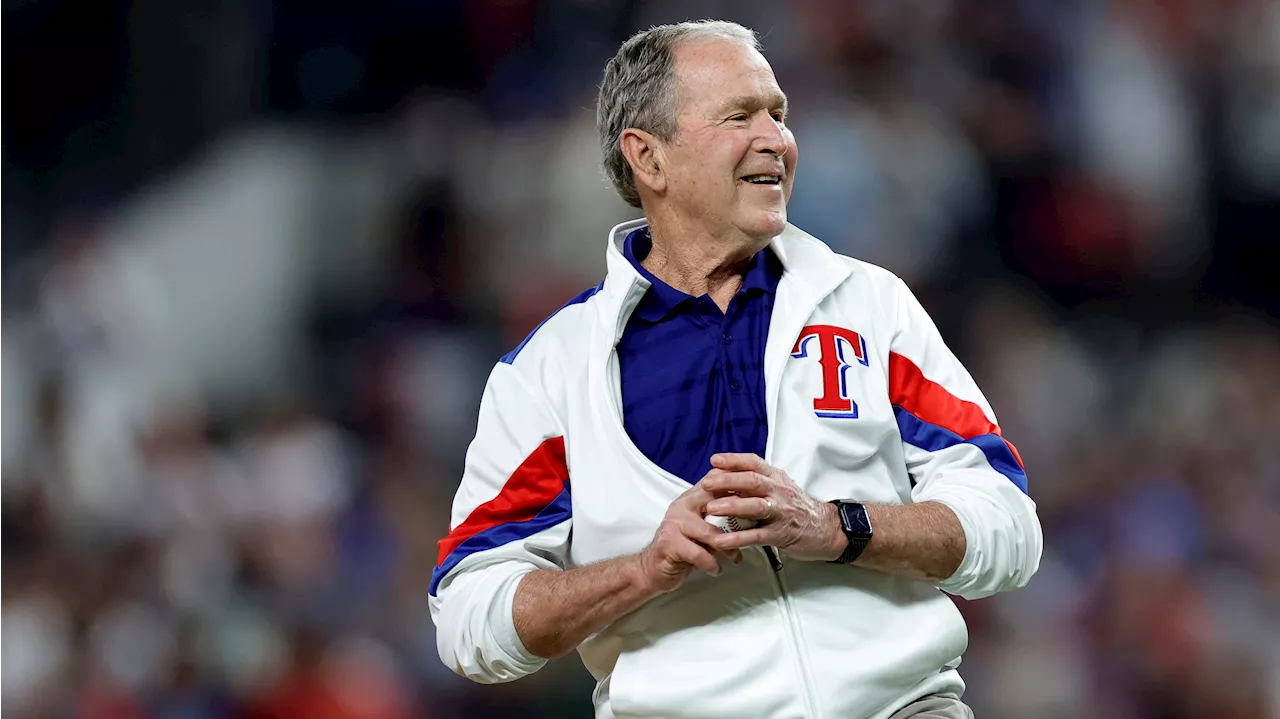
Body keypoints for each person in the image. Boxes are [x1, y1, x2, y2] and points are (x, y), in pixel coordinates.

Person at [429, 19, 1042, 719]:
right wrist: (642, 570)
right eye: (739, 115)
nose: (776, 139)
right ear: (649, 159)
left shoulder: (870, 305)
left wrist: (837, 524)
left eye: (778, 113)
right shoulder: (550, 371)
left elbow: (1009, 525)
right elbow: (469, 617)